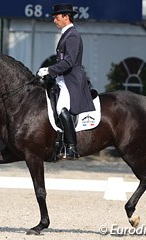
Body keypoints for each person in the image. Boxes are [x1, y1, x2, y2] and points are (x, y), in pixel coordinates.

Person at [37, 3, 95, 160]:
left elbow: (69, 62)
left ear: (66, 17)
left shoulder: (73, 35)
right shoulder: (66, 35)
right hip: (62, 79)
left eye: (56, 17)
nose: (54, 20)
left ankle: (72, 147)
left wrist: (49, 69)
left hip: (72, 81)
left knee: (62, 108)